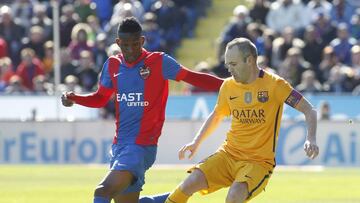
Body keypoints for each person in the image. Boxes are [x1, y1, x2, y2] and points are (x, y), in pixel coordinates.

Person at [61, 17, 223, 203]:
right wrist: (75, 98)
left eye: (135, 44)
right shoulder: (112, 65)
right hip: (119, 145)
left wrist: (227, 84)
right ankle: (176, 197)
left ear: (142, 41)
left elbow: (193, 78)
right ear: (118, 43)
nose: (130, 50)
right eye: (125, 45)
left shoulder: (159, 62)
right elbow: (100, 98)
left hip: (141, 146)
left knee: (103, 191)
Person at [164, 38, 319, 203]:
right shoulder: (228, 86)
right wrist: (196, 142)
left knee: (234, 197)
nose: (229, 69)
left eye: (233, 64)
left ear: (250, 60)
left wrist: (311, 138)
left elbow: (309, 110)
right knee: (188, 184)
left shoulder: (275, 85)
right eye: (227, 65)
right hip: (227, 155)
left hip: (258, 163)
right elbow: (217, 115)